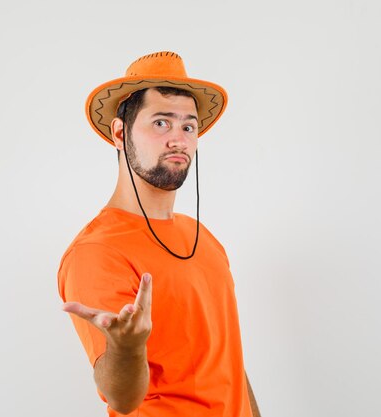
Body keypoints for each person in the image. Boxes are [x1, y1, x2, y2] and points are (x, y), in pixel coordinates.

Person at [58, 51, 261, 417]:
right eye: (161, 123)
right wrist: (127, 347)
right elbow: (122, 398)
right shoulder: (97, 252)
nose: (179, 140)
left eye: (188, 126)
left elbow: (228, 362)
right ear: (120, 133)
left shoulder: (202, 236)